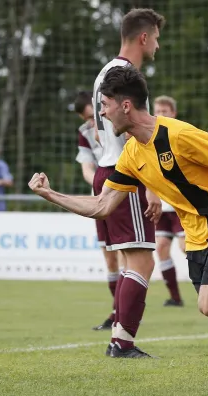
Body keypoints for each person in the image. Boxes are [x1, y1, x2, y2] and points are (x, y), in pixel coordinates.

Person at [28, 66, 208, 389]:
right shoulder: (131, 154)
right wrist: (49, 194)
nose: (101, 112)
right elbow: (101, 206)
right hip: (196, 236)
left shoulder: (178, 134)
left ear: (125, 106)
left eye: (105, 104)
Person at [89, 8, 166, 358]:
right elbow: (139, 135)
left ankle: (118, 338)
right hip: (127, 173)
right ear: (144, 37)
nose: (158, 47)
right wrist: (151, 185)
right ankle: (122, 342)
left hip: (106, 170)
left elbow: (96, 127)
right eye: (157, 39)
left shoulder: (104, 72)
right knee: (142, 262)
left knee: (127, 261)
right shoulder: (128, 76)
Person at [73, 90, 125, 330]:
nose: (90, 122)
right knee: (109, 256)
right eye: (85, 118)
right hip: (101, 196)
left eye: (91, 116)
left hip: (123, 191)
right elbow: (86, 168)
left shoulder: (118, 123)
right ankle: (116, 310)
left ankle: (125, 310)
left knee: (126, 252)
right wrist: (100, 186)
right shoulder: (85, 133)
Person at [152, 95, 184, 307]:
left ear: (173, 114)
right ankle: (175, 297)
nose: (161, 115)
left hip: (181, 204)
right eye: (158, 111)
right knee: (161, 247)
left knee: (188, 247)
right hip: (161, 205)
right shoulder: (149, 138)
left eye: (165, 111)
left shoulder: (180, 135)